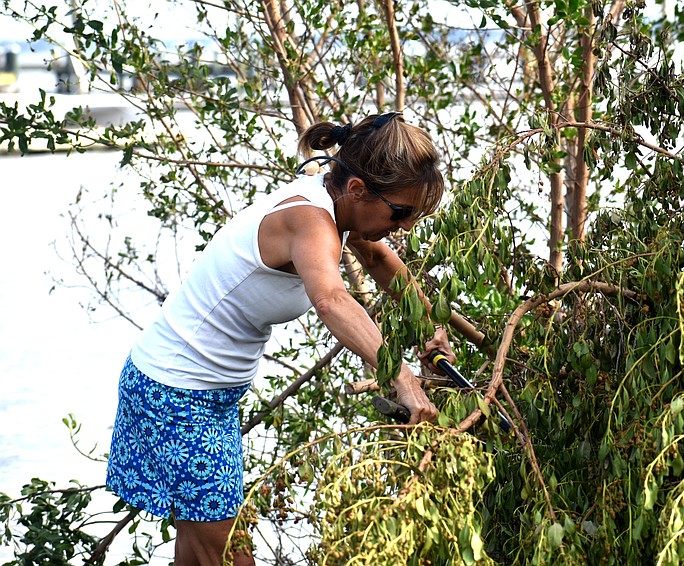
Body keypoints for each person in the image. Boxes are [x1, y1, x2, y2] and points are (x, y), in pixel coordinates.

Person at [105, 111, 456, 565]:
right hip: (175, 395)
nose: (406, 226)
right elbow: (331, 298)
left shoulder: (329, 192)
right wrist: (402, 378)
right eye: (401, 212)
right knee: (231, 555)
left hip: (203, 395)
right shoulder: (308, 221)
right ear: (357, 190)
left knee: (198, 550)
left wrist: (430, 327)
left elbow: (377, 259)